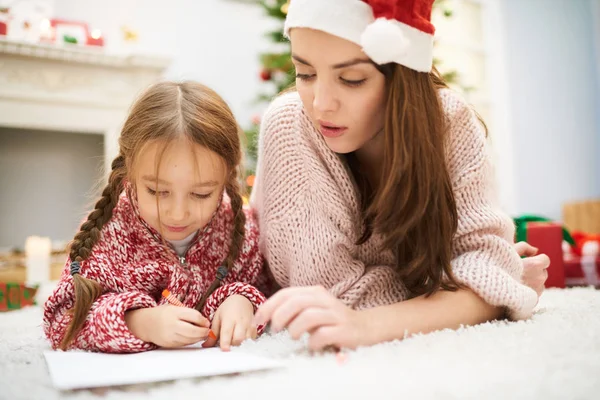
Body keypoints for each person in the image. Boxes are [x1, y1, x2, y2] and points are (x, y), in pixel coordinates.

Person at [250, 0, 550, 351]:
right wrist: (485, 289)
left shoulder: (450, 122)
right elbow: (334, 304)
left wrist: (490, 282)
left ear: (402, 77)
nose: (321, 104)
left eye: (352, 79)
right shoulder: (289, 125)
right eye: (305, 74)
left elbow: (487, 266)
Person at [43, 81, 266, 353]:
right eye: (158, 191)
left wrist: (241, 300)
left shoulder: (239, 229)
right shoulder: (108, 232)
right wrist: (139, 322)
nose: (177, 213)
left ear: (226, 179)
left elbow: (269, 294)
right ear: (130, 175)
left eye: (201, 194)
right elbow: (61, 319)